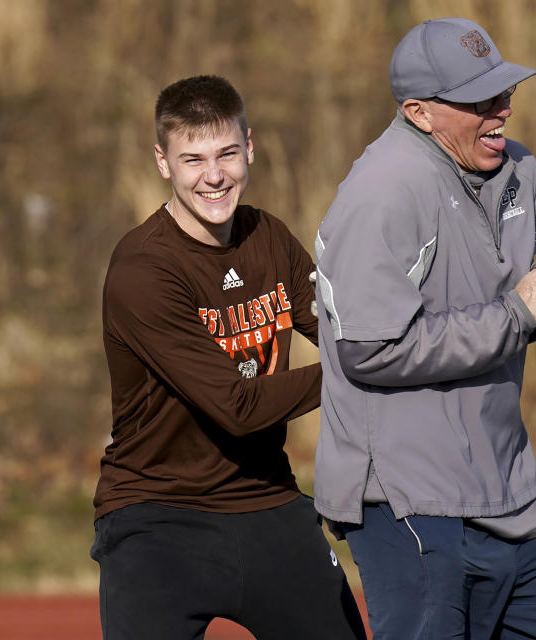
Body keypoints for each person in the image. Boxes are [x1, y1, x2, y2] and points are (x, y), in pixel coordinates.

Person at [313, 18, 536, 640]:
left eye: (503, 93)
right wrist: (520, 310)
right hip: (407, 495)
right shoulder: (381, 193)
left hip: (507, 486)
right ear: (419, 112)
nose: (501, 111)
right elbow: (371, 349)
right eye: (478, 101)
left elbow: (502, 319)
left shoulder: (520, 171)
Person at [90, 75, 366, 640]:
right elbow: (236, 407)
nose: (213, 176)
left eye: (227, 154)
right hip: (158, 515)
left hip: (266, 497)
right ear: (163, 162)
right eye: (192, 159)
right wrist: (358, 369)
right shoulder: (143, 270)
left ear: (250, 149)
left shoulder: (269, 236)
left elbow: (352, 334)